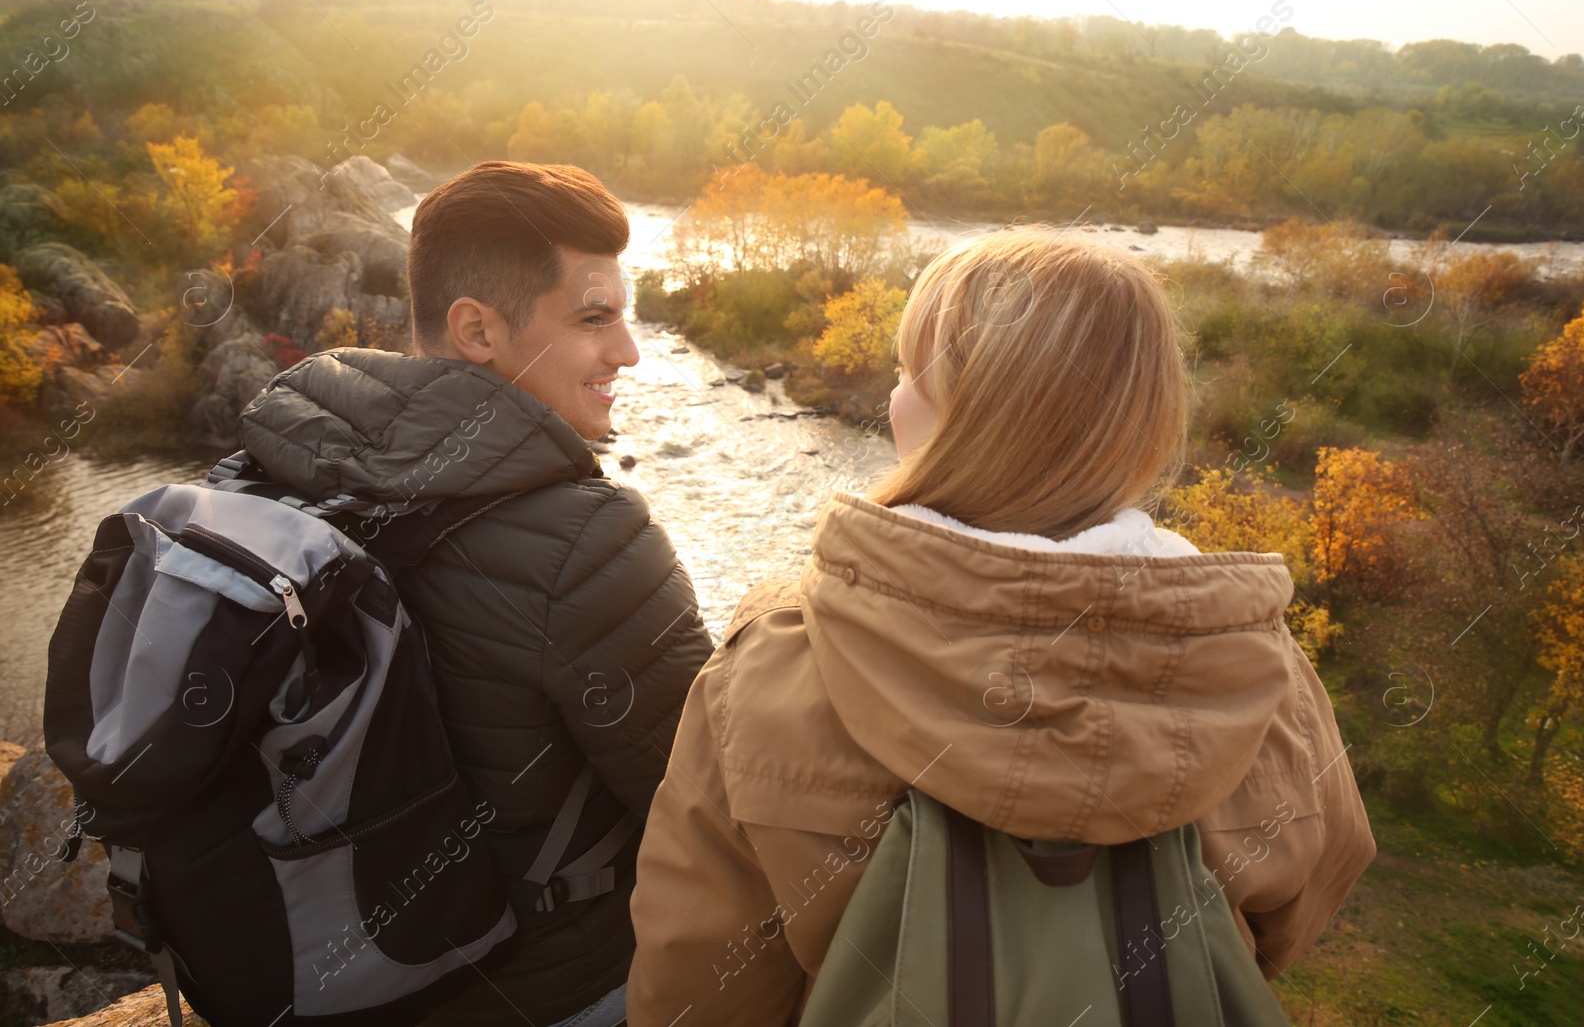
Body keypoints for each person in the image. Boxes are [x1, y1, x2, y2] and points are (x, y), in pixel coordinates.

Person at [625, 227, 1376, 1025]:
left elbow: (698, 979)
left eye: (909, 374)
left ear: (974, 423)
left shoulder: (778, 657)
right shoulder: (1252, 664)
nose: (890, 397)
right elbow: (1307, 896)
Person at [238, 161, 714, 1027]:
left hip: (326, 983)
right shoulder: (588, 541)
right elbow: (714, 809)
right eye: (595, 317)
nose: (629, 350)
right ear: (477, 330)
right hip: (555, 992)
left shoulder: (284, 471)